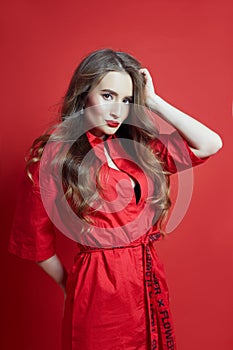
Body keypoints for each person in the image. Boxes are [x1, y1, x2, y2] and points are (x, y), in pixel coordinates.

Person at [8, 48, 222, 350]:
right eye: (108, 95)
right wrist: (70, 286)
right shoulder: (54, 154)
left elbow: (209, 144)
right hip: (99, 288)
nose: (117, 111)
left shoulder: (137, 147)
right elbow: (34, 241)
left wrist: (154, 102)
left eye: (127, 100)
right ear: (84, 95)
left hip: (147, 279)